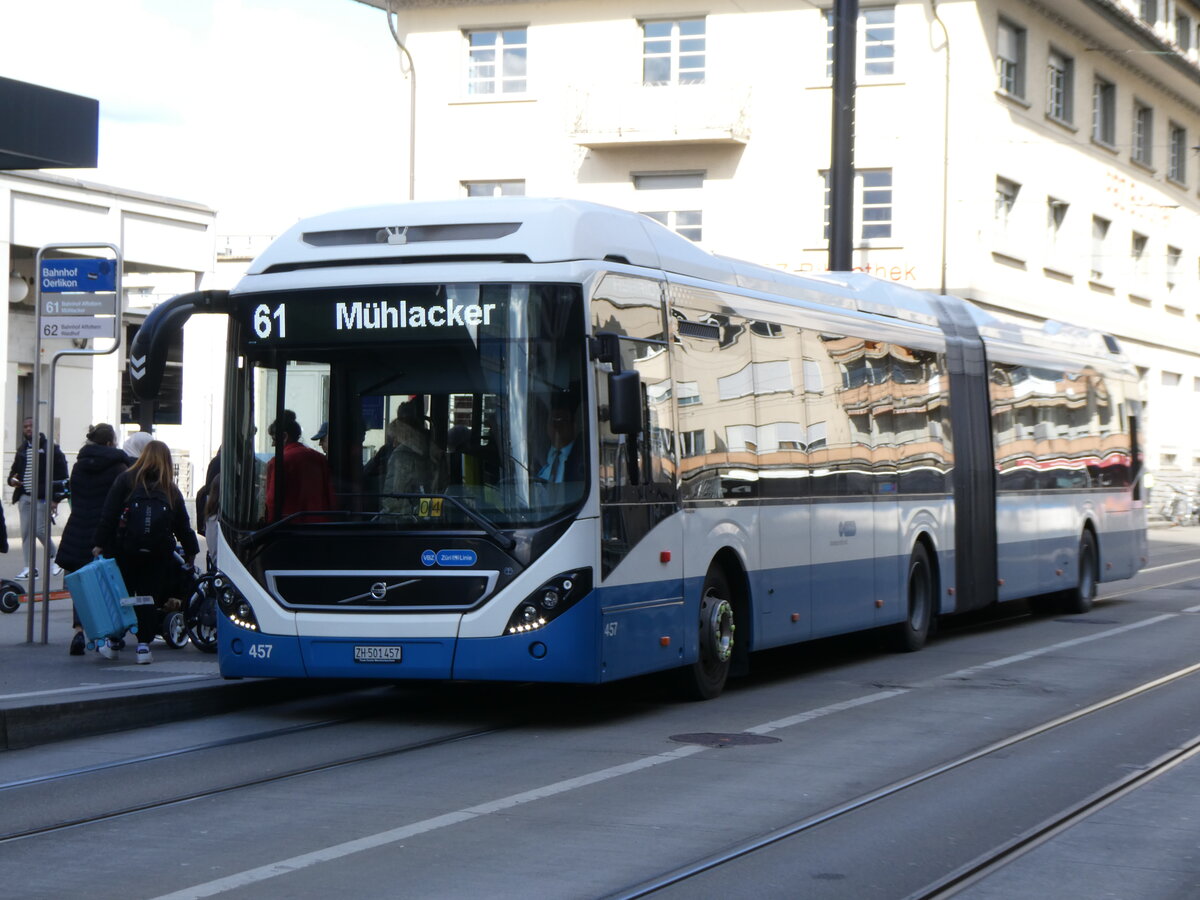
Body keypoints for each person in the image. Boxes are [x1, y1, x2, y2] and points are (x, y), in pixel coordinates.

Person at [92, 440, 199, 664]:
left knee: (122, 595)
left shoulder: (126, 480)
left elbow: (108, 515)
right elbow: (183, 525)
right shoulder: (169, 489)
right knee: (148, 597)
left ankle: (114, 642)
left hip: (125, 550)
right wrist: (191, 552)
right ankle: (143, 647)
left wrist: (99, 544)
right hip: (157, 554)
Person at [56, 423, 129, 656]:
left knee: (80, 585)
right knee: (107, 585)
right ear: (110, 442)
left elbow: (75, 498)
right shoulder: (119, 467)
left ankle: (79, 632)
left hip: (77, 529)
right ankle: (106, 635)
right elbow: (118, 503)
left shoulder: (78, 466)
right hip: (103, 533)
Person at [8, 416, 68, 579]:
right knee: (26, 533)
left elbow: (62, 475)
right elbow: (13, 472)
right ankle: (29, 568)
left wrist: (55, 499)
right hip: (24, 497)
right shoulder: (22, 449)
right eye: (25, 426)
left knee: (40, 530)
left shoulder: (50, 448)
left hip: (42, 497)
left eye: (31, 426)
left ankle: (56, 557)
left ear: (37, 427)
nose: (28, 429)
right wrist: (12, 480)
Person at [264, 410, 335, 522]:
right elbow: (331, 495)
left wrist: (270, 526)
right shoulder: (320, 459)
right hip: (320, 526)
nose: (273, 444)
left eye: (274, 439)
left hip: (288, 527)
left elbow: (272, 501)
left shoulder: (279, 462)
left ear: (284, 436)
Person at [381, 401, 436, 514]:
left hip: (408, 518)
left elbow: (394, 501)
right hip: (429, 512)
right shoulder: (431, 448)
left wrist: (387, 519)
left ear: (401, 435)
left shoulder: (401, 456)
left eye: (394, 439)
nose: (393, 445)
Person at [538, 395, 583, 484]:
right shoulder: (539, 455)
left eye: (561, 420)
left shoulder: (582, 457)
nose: (556, 426)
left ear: (573, 426)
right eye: (552, 420)